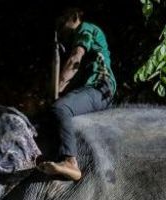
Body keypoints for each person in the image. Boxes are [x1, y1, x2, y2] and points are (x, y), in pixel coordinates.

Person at [38, 8, 117, 181]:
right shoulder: (72, 41)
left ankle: (70, 161)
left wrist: (57, 88)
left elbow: (75, 59)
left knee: (60, 108)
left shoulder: (85, 29)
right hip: (91, 90)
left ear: (74, 16)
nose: (59, 29)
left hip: (99, 87)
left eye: (61, 22)